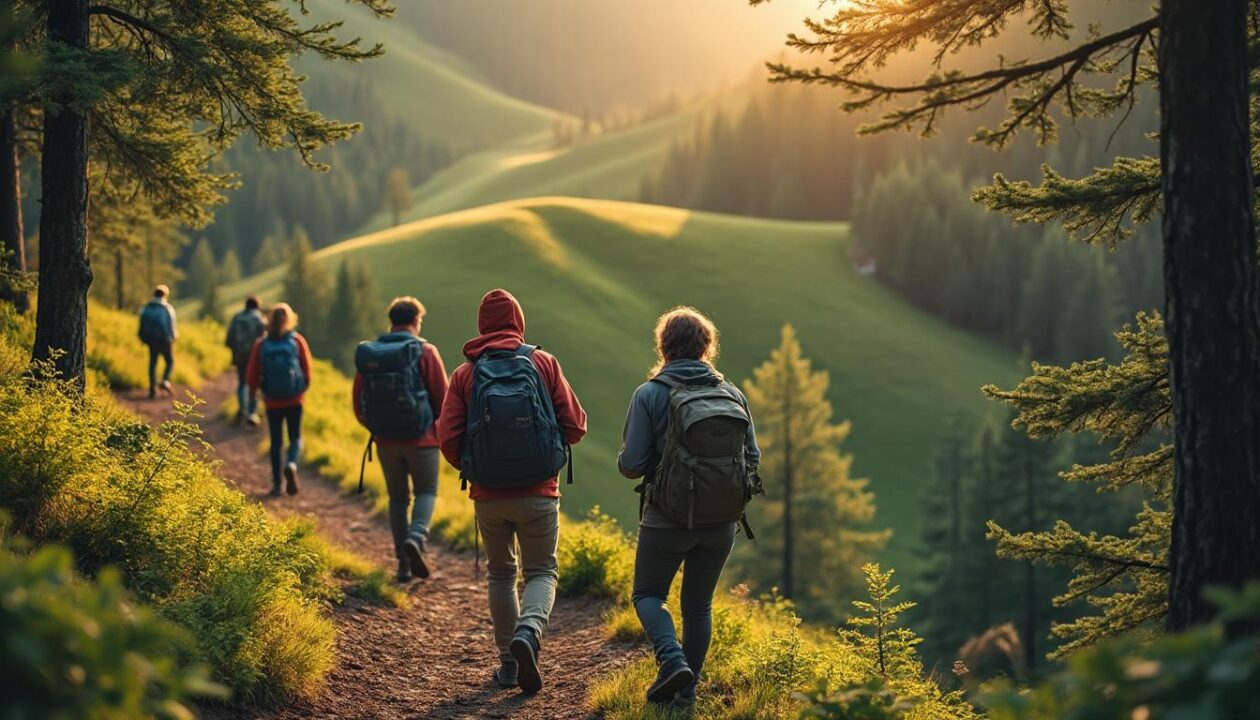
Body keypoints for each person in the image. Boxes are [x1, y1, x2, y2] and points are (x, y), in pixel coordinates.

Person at [438, 289, 586, 695]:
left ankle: (508, 665)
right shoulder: (542, 362)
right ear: (518, 322)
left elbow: (447, 437)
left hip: (489, 495)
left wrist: (474, 467)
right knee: (541, 571)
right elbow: (575, 426)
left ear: (482, 325)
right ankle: (530, 632)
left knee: (501, 574)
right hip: (540, 491)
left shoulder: (465, 374)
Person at [617, 307, 761, 707]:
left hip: (667, 518)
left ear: (663, 346)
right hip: (722, 522)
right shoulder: (732, 394)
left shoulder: (649, 394)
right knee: (698, 606)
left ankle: (672, 659)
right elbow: (753, 457)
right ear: (706, 347)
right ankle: (687, 691)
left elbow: (631, 466)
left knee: (647, 594)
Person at [353, 296, 450, 583]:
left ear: (392, 321)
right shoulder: (425, 351)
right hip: (422, 439)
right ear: (416, 321)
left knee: (397, 500)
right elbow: (443, 399)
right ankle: (417, 537)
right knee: (426, 492)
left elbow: (359, 400)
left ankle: (402, 565)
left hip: (385, 441)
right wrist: (439, 432)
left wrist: (375, 427)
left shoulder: (371, 353)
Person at [246, 303, 312, 497]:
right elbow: (307, 370)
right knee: (296, 437)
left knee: (276, 442)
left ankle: (276, 484)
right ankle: (291, 464)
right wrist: (302, 388)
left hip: (272, 400)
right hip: (295, 398)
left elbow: (252, 374)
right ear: (289, 319)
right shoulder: (297, 340)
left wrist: (253, 399)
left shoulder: (262, 344)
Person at [225, 296, 266, 426]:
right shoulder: (259, 319)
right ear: (257, 306)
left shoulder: (237, 317)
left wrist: (234, 352)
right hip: (255, 356)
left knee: (242, 381)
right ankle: (252, 411)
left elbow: (229, 339)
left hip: (239, 355)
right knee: (254, 382)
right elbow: (264, 340)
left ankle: (242, 409)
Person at [137, 285, 178, 399]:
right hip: (165, 340)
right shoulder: (167, 308)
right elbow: (172, 325)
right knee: (169, 361)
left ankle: (152, 389)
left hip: (151, 340)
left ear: (154, 294)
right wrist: (173, 337)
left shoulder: (147, 307)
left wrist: (141, 336)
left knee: (153, 363)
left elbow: (141, 323)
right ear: (165, 295)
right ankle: (165, 381)